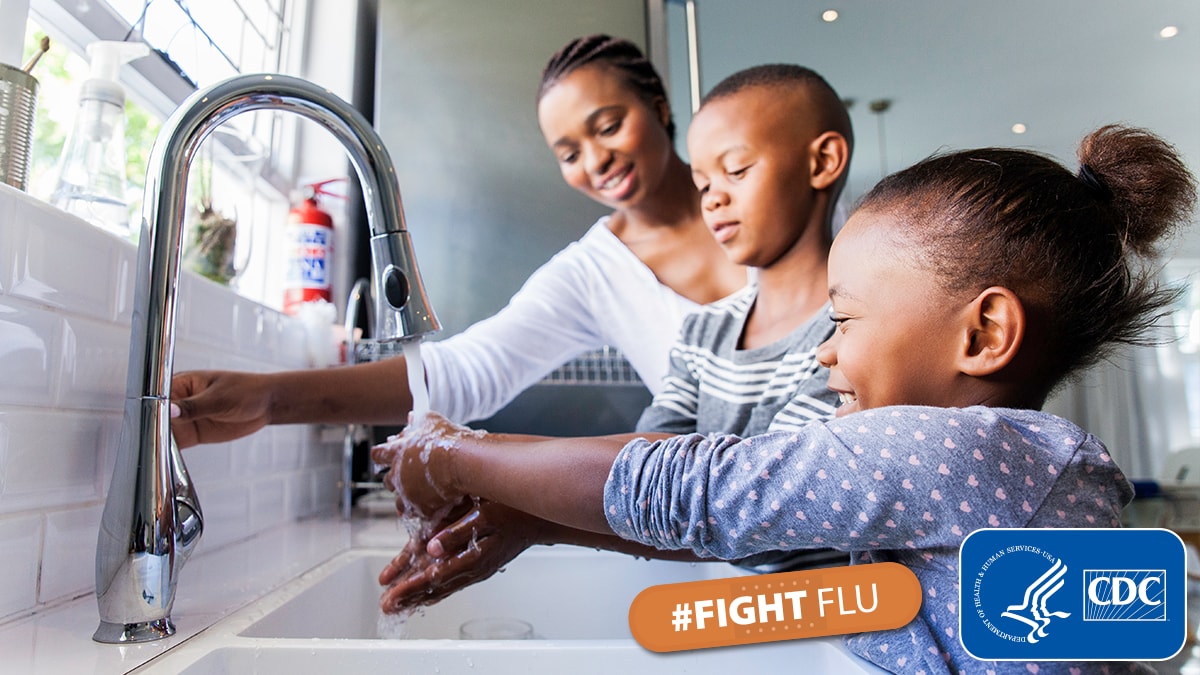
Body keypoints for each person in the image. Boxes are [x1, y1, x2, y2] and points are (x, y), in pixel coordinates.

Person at [372, 123, 1197, 674]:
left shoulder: (962, 451)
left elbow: (696, 488)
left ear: (982, 335)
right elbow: (768, 537)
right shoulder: (994, 474)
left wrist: (446, 450)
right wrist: (537, 519)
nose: (826, 348)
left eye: (844, 319)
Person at [378, 64, 858, 604]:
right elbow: (652, 481)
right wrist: (534, 521)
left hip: (838, 626)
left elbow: (749, 509)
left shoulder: (855, 337)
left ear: (822, 161)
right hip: (735, 611)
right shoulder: (704, 333)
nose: (713, 199)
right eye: (702, 182)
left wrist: (463, 456)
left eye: (737, 171)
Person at [167, 34, 746, 446]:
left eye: (609, 126)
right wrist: (271, 399)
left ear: (660, 108)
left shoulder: (756, 192)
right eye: (569, 153)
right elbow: (466, 371)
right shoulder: (593, 273)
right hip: (753, 540)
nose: (596, 161)